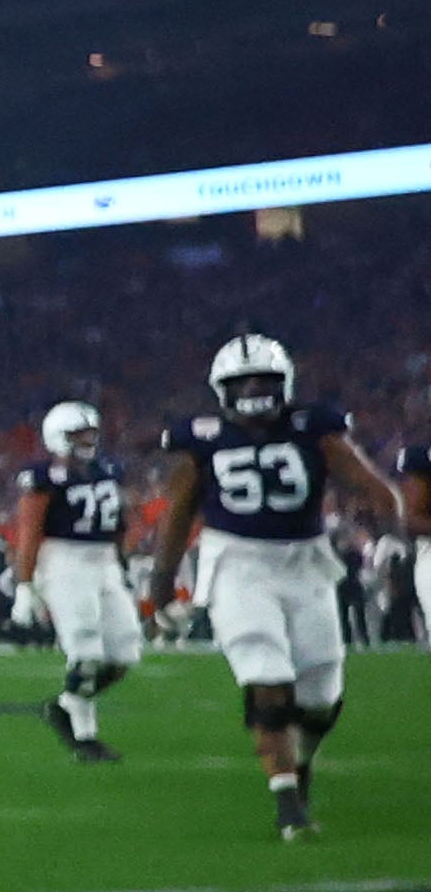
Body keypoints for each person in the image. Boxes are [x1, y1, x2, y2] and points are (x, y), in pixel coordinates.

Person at [147, 332, 400, 842]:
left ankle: (299, 765)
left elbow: (371, 485)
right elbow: (177, 515)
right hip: (237, 562)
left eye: (264, 379)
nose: (255, 390)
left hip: (306, 562)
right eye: (243, 382)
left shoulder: (315, 428)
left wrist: (393, 531)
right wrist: (161, 584)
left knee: (321, 694)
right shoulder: (203, 439)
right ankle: (288, 805)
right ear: (222, 389)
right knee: (266, 677)